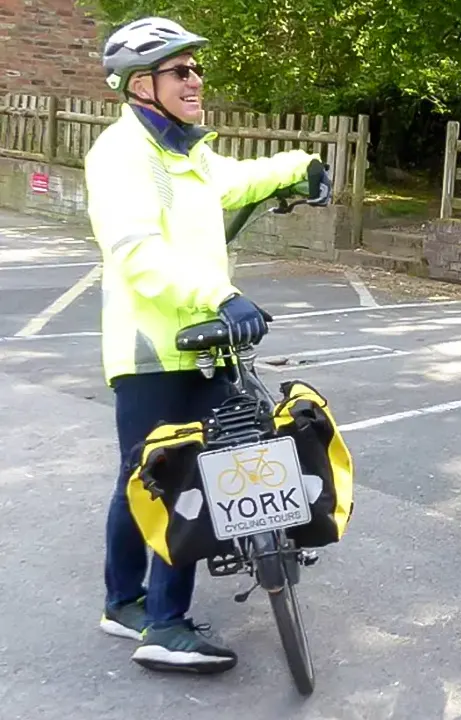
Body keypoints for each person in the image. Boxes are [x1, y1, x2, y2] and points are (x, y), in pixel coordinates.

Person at [86, 17, 331, 675]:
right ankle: (164, 625)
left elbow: (236, 180)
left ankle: (122, 602)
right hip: (152, 349)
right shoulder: (121, 155)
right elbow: (137, 255)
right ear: (144, 85)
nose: (197, 80)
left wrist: (299, 168)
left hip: (203, 342)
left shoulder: (184, 152)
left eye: (196, 68)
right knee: (173, 478)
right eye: (181, 70)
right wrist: (217, 297)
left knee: (142, 474)